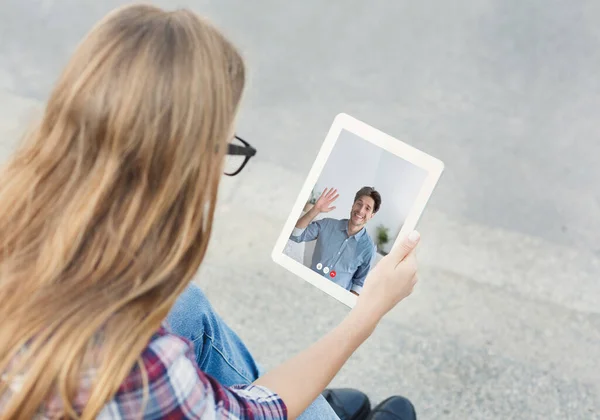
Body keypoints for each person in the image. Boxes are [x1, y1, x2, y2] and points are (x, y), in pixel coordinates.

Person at [0, 4, 420, 419]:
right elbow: (254, 416)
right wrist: (367, 315)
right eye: (224, 145)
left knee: (183, 304)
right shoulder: (138, 367)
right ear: (186, 162)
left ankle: (309, 404)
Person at [290, 187, 382, 295]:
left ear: (372, 215)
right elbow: (295, 235)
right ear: (353, 205)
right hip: (307, 288)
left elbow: (358, 285)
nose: (361, 210)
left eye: (367, 208)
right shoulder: (327, 225)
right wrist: (316, 209)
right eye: (359, 204)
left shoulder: (368, 248)